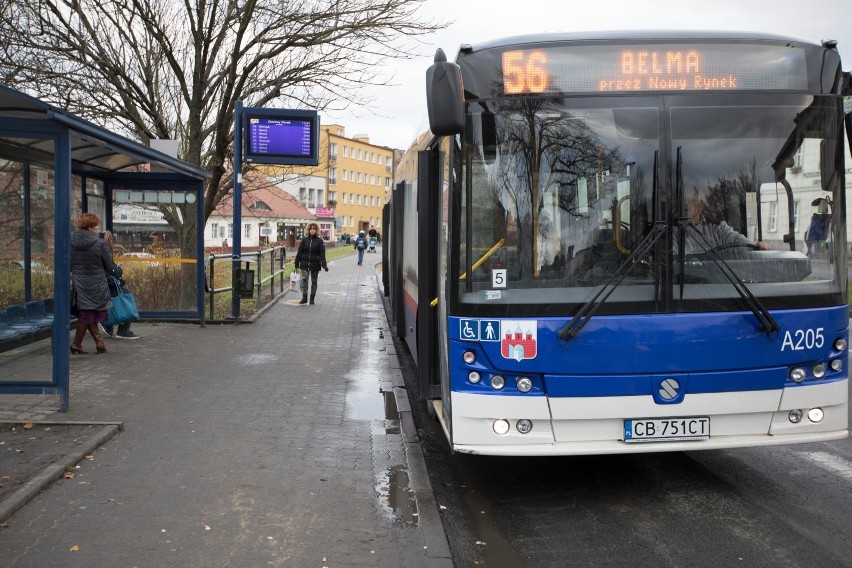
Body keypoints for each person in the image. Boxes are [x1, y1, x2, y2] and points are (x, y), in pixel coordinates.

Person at [70, 213, 120, 354]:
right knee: (88, 312)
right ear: (91, 227)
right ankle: (76, 344)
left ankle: (99, 343)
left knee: (88, 311)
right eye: (96, 225)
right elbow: (109, 265)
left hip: (79, 282)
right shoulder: (100, 243)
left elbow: (68, 263)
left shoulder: (71, 241)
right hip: (96, 282)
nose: (98, 227)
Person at [680, 187, 769, 255]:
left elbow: (735, 239)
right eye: (684, 200)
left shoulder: (716, 227)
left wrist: (755, 245)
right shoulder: (675, 229)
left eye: (691, 200)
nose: (686, 204)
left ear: (701, 205)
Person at [99, 231, 139, 339]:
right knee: (126, 298)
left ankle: (107, 326)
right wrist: (119, 271)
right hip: (107, 283)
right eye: (111, 239)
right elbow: (112, 269)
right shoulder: (104, 249)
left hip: (98, 284)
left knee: (112, 301)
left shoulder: (93, 247)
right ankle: (122, 330)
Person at [294, 222, 328, 305]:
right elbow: (299, 251)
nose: (312, 231)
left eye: (314, 229)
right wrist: (296, 263)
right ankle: (304, 297)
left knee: (314, 281)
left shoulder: (320, 241)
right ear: (308, 230)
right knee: (304, 280)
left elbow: (322, 254)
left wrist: (324, 265)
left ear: (316, 230)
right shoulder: (304, 240)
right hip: (304, 263)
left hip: (315, 264)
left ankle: (312, 298)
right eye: (311, 229)